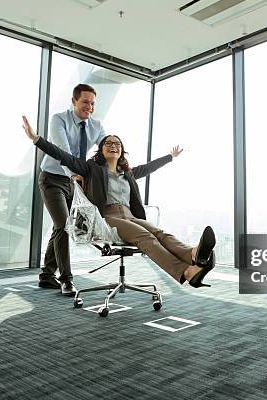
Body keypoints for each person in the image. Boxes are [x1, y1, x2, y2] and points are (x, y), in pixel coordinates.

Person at [22, 116, 216, 288]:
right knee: (146, 237)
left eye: (117, 143)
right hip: (107, 218)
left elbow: (148, 168)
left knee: (159, 233)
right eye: (108, 143)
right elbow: (62, 155)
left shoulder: (128, 174)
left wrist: (169, 157)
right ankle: (186, 272)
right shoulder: (91, 168)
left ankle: (192, 254)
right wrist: (36, 139)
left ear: (122, 150)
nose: (113, 145)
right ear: (101, 150)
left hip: (129, 216)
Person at [37, 84, 107, 296]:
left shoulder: (95, 125)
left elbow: (105, 149)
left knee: (61, 226)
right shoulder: (59, 119)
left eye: (93, 103)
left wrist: (116, 168)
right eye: (85, 102)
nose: (90, 107)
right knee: (63, 225)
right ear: (74, 101)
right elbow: (63, 151)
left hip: (73, 182)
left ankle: (47, 275)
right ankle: (66, 279)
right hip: (52, 179)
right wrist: (73, 174)